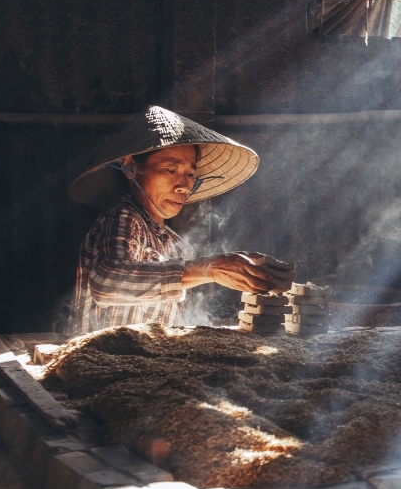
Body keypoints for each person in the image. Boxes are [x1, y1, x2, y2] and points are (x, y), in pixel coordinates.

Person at [66, 105, 290, 334]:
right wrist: (209, 269)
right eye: (170, 170)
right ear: (130, 167)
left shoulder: (176, 247)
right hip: (105, 363)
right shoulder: (124, 217)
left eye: (191, 174)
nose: (183, 186)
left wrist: (228, 269)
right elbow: (107, 284)